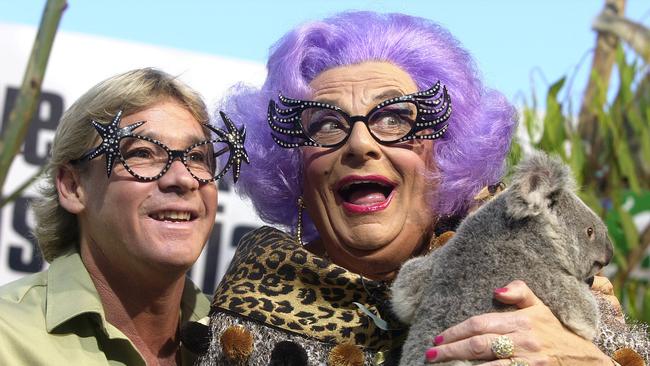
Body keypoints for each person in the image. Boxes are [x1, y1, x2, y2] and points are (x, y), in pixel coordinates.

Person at [197, 11, 646, 366]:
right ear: (294, 168)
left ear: (444, 152)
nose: (359, 144)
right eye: (327, 124)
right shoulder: (243, 325)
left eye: (394, 118)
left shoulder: (540, 283)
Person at [0, 68, 248, 365]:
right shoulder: (8, 338)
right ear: (72, 186)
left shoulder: (243, 344)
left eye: (197, 157)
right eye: (142, 153)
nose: (183, 178)